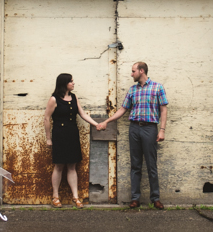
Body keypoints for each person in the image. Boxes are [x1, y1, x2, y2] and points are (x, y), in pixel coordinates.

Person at [100, 61, 168, 209]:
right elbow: (123, 109)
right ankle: (135, 198)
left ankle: (155, 198)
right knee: (135, 165)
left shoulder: (157, 87)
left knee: (151, 165)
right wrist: (107, 121)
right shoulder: (132, 90)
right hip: (134, 129)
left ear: (141, 71)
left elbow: (163, 109)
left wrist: (162, 129)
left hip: (150, 129)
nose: (131, 74)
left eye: (133, 71)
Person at [44, 73, 103, 208]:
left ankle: (75, 197)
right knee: (59, 165)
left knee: (72, 165)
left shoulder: (74, 97)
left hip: (72, 133)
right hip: (59, 134)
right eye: (71, 81)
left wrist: (96, 124)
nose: (73, 83)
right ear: (64, 83)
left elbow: (82, 114)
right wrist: (48, 138)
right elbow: (46, 118)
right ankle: (55, 197)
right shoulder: (54, 99)